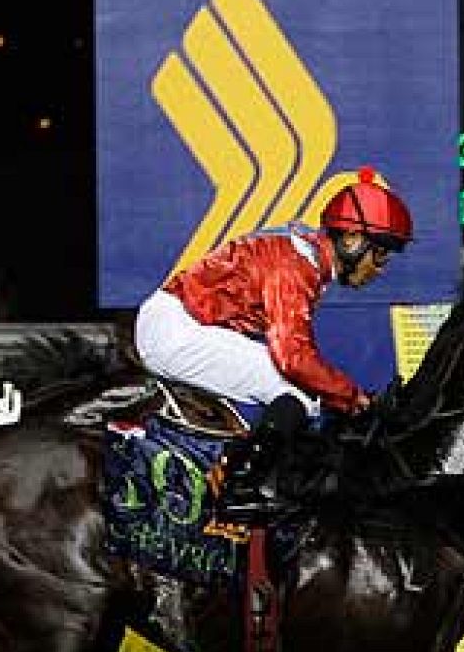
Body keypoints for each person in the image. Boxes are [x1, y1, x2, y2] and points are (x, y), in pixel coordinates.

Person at [135, 167, 413, 522]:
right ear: (353, 240)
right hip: (174, 329)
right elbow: (293, 357)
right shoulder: (295, 265)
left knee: (303, 394)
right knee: (295, 390)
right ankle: (238, 489)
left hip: (181, 323)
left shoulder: (305, 258)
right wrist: (354, 398)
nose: (380, 269)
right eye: (381, 255)